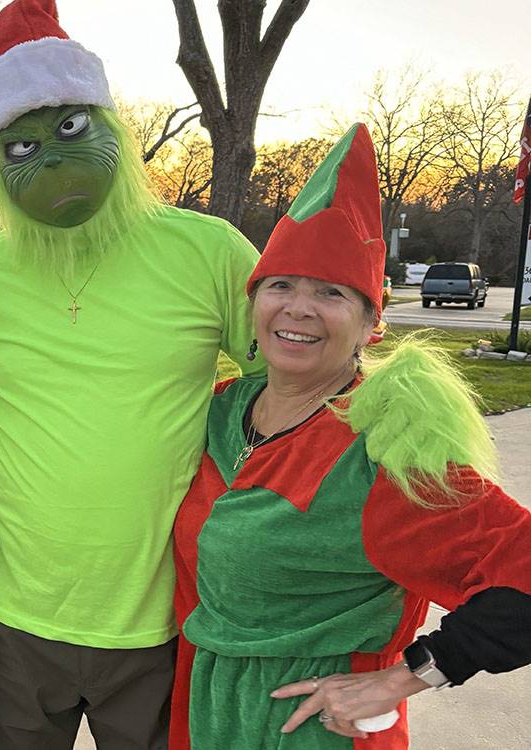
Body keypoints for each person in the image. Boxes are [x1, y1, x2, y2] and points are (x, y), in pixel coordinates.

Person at [0, 1, 262, 746]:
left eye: (67, 129)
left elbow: (305, 383)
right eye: (19, 146)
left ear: (110, 124)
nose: (50, 159)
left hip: (163, 620)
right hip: (18, 622)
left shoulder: (208, 251)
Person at [171, 124, 531, 749]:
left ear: (371, 323)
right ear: (254, 303)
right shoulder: (224, 410)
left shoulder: (382, 450)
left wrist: (409, 675)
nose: (299, 308)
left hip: (312, 727)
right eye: (280, 285)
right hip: (207, 706)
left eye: (331, 293)